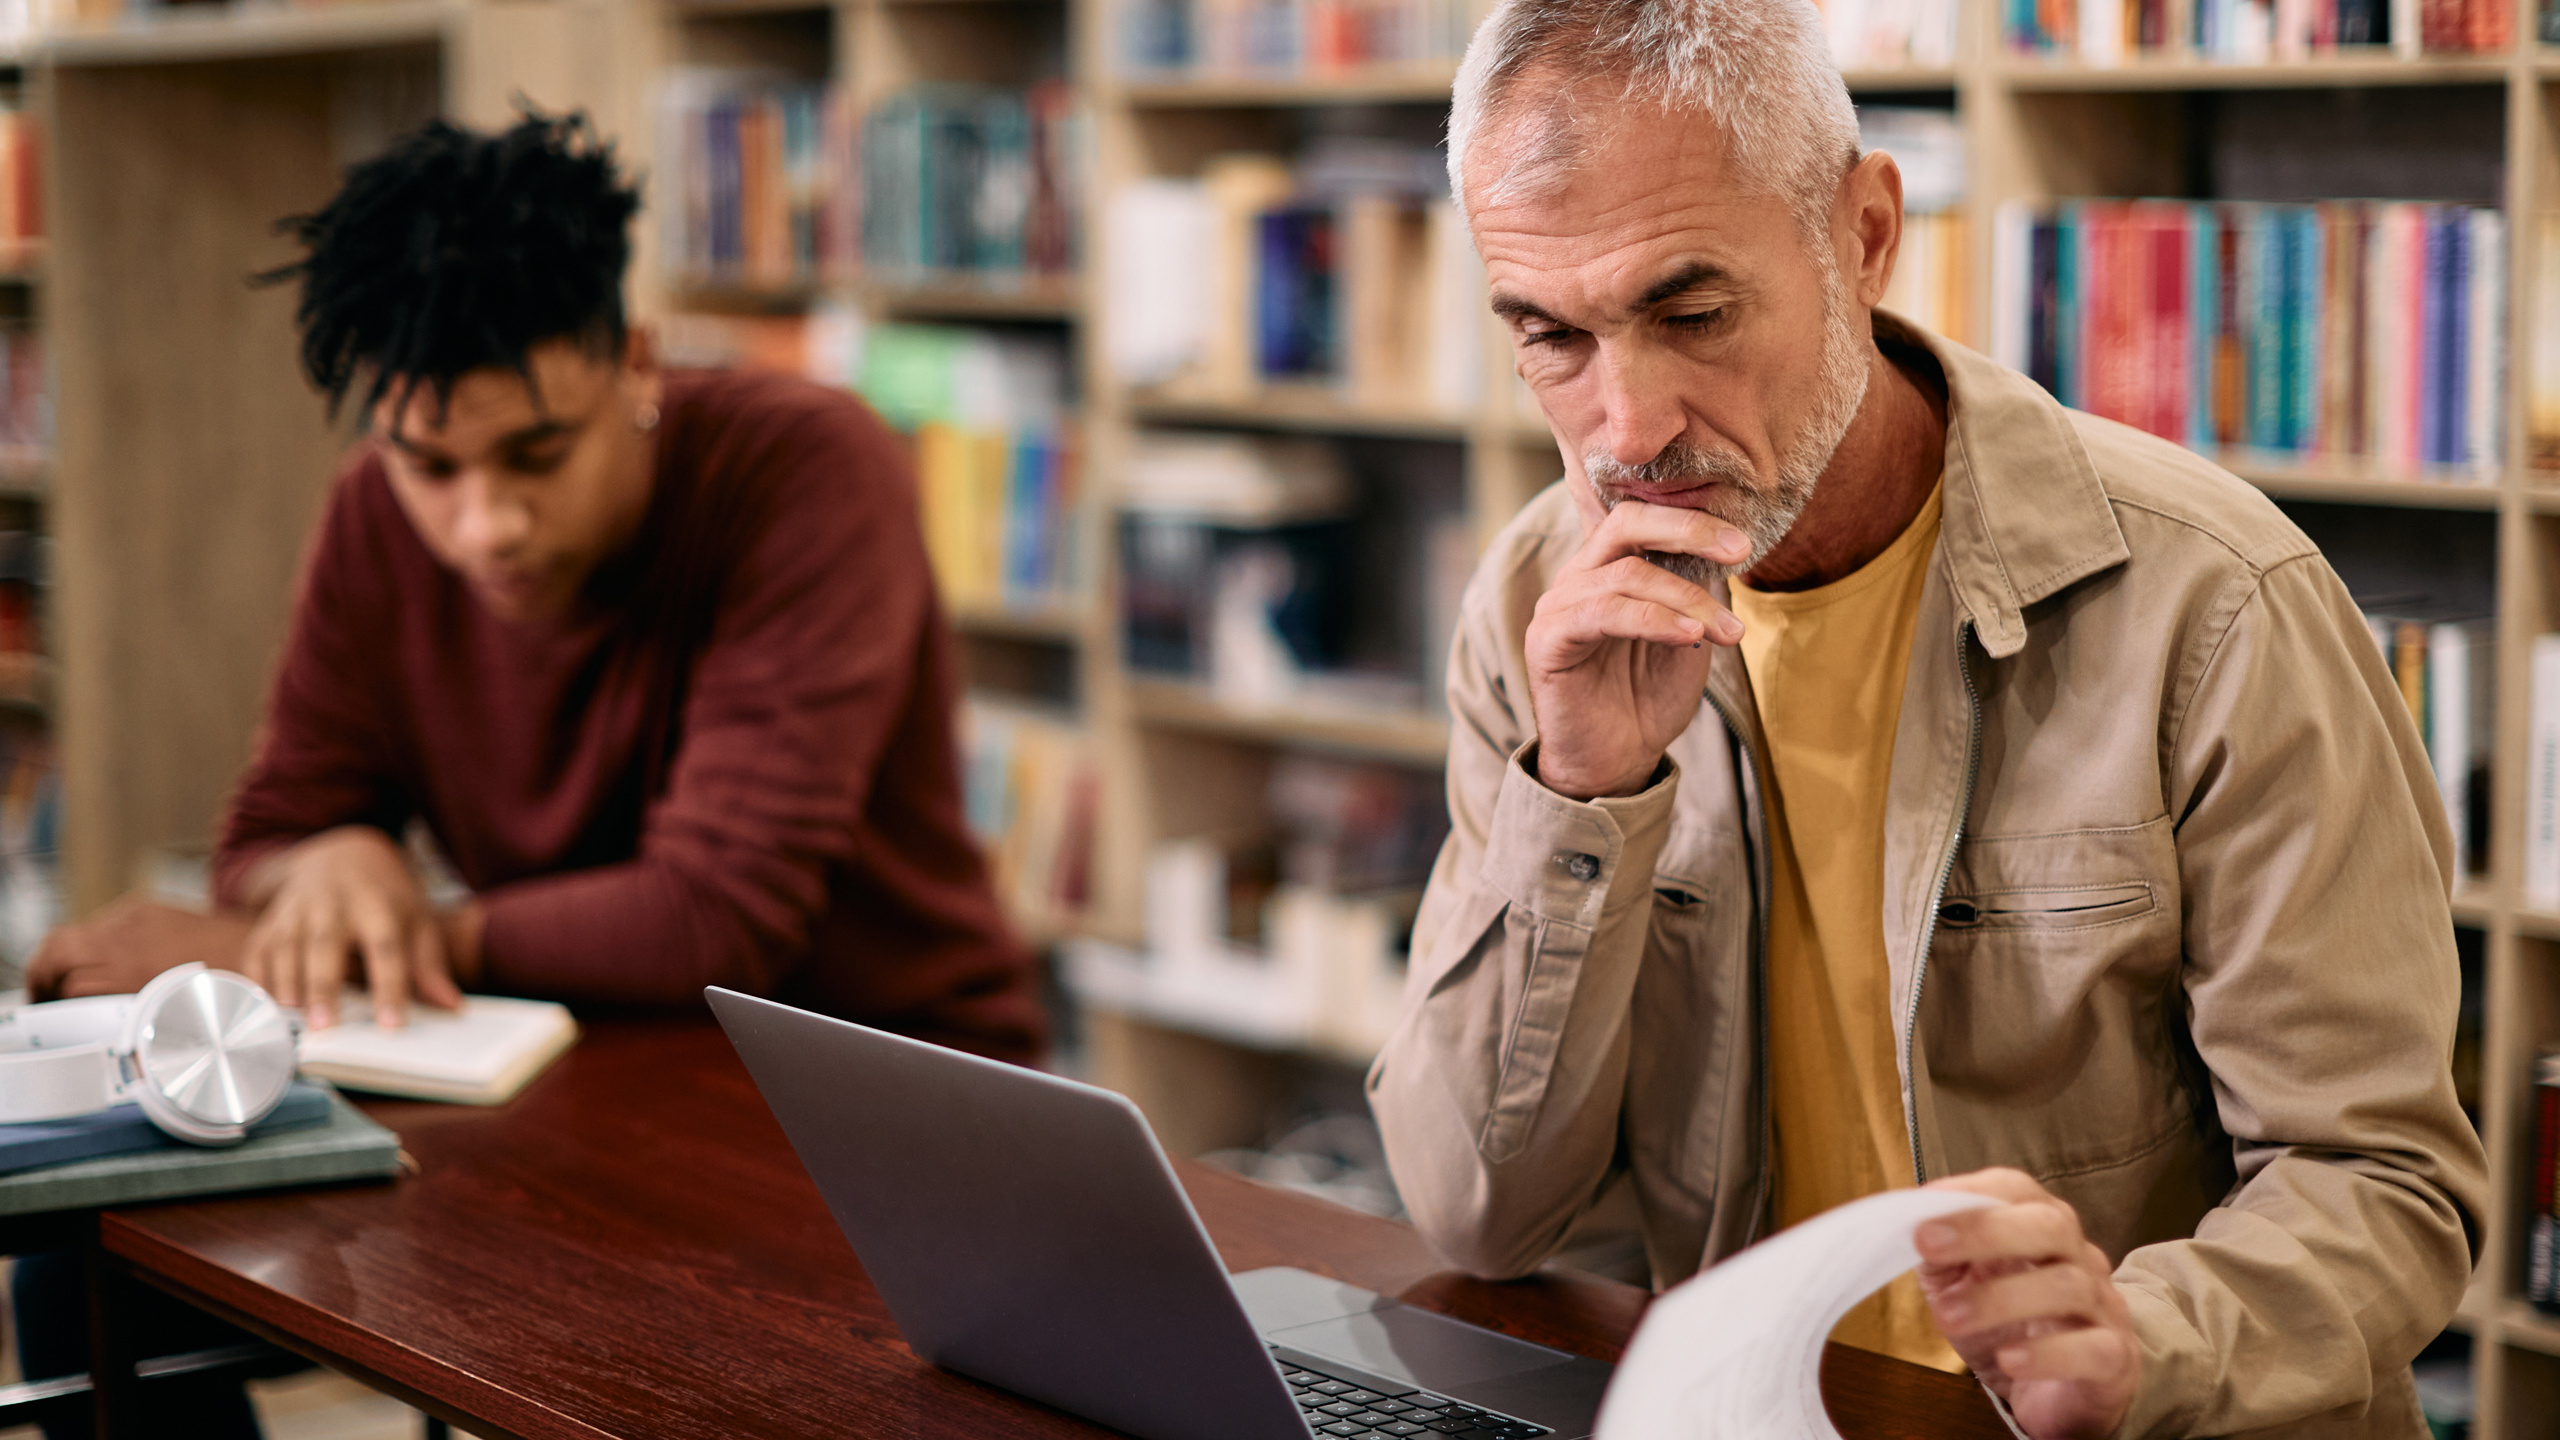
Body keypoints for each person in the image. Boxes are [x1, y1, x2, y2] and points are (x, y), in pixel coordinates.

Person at [1364, 3, 2485, 1436]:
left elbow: (2389, 1190)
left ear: (1866, 234)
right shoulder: (1538, 602)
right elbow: (1479, 1214)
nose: (1628, 426)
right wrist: (1580, 789)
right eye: (1552, 338)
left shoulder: (2216, 606)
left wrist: (2141, 1344)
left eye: (1691, 313)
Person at [25, 111, 1044, 1058]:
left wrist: (343, 943)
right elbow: (267, 835)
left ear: (636, 363)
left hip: (891, 1077)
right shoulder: (372, 511)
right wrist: (333, 860)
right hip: (578, 1060)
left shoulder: (809, 470)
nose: (487, 526)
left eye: (539, 455)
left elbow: (718, 914)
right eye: (431, 466)